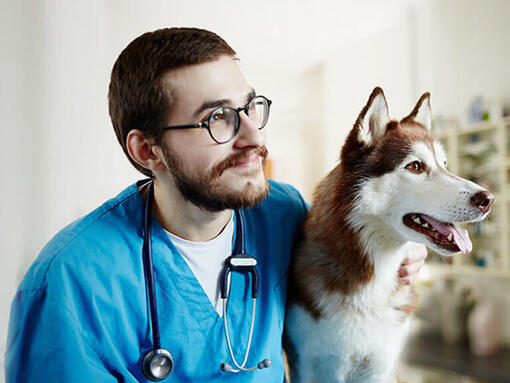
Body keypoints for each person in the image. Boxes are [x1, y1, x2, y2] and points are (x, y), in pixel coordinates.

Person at [5, 27, 427, 382]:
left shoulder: (283, 214)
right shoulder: (69, 283)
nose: (255, 137)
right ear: (148, 151)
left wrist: (399, 250)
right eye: (218, 118)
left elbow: (350, 279)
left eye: (250, 107)